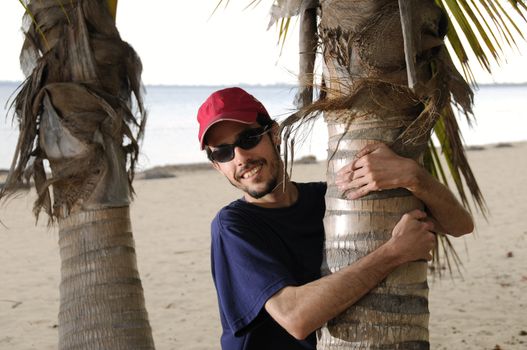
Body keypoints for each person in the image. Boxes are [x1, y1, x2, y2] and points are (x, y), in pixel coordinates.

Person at [196, 87, 473, 350]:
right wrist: (393, 253)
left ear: (275, 134)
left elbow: (459, 225)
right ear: (217, 166)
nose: (241, 157)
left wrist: (415, 177)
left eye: (248, 139)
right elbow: (295, 317)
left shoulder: (327, 200)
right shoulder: (233, 227)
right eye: (223, 152)